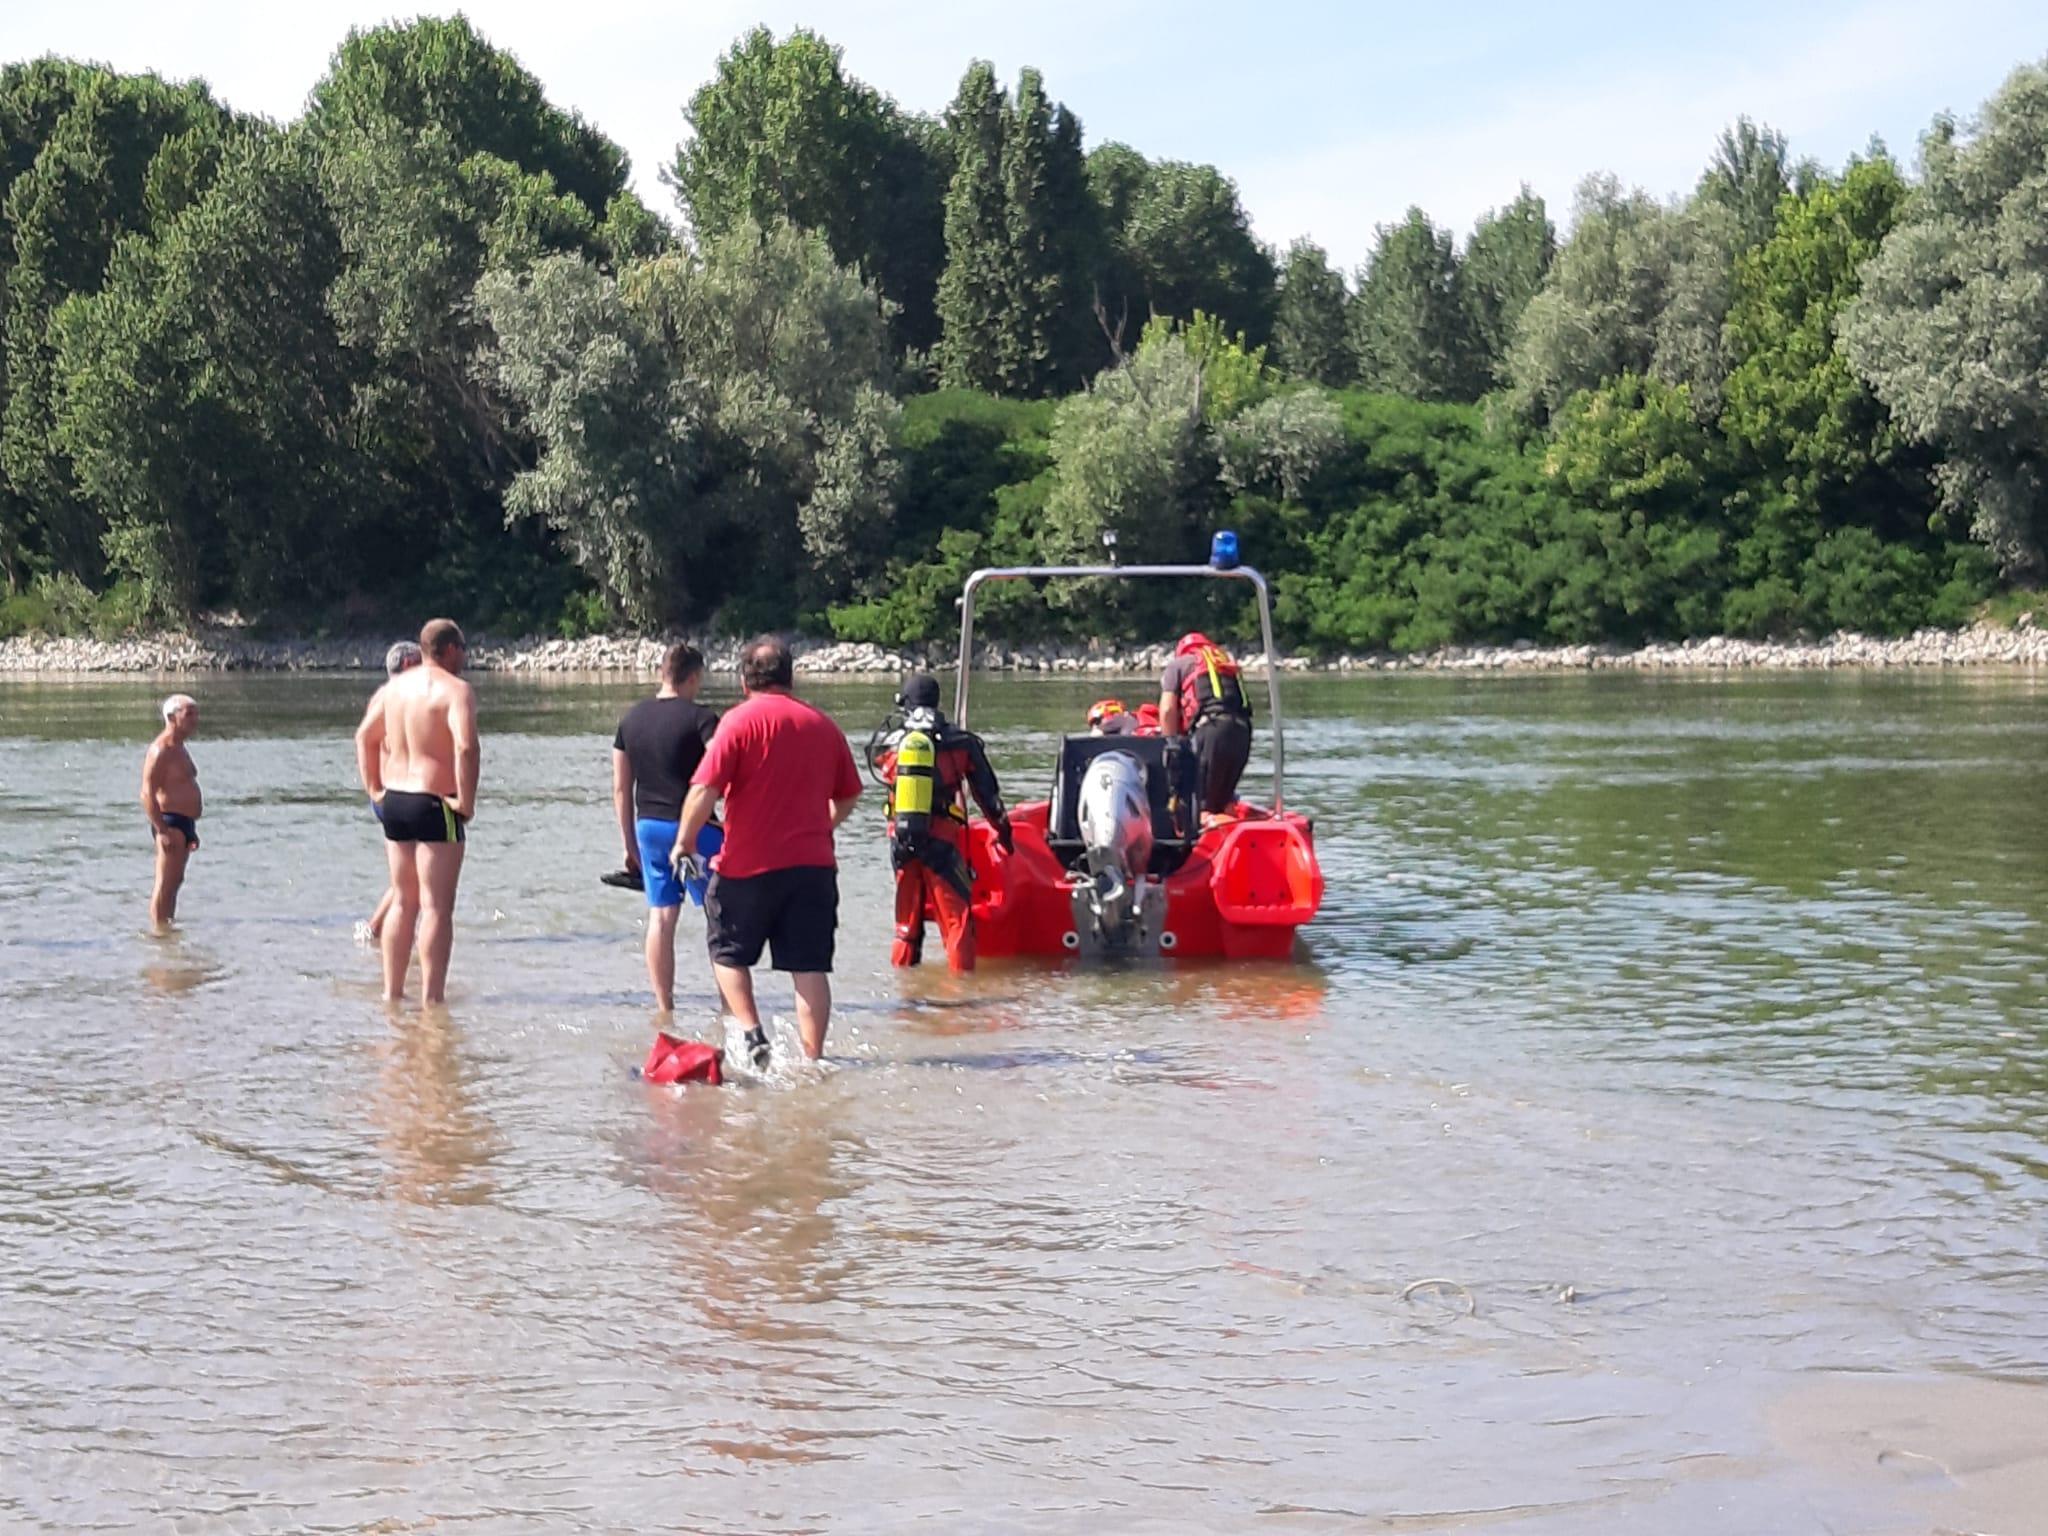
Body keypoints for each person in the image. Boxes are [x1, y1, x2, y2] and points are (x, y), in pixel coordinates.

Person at [674, 636, 861, 1065]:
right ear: (790, 679)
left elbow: (705, 789)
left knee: (726, 953)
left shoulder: (738, 723)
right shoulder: (822, 725)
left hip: (747, 866)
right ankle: (812, 1060)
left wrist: (684, 842)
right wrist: (823, 826)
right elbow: (850, 794)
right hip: (813, 868)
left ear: (745, 681)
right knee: (809, 968)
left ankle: (752, 1031)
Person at [355, 618, 479, 1005]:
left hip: (395, 799)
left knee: (403, 901)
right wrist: (466, 802)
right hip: (434, 800)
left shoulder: (393, 689)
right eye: (463, 650)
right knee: (436, 907)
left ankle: (392, 994)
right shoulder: (456, 690)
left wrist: (374, 789)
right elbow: (466, 747)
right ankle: (432, 1000)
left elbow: (365, 736)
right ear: (451, 649)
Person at [613, 642, 721, 1013]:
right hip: (696, 830)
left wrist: (629, 844)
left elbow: (621, 787)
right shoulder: (702, 718)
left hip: (649, 829)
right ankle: (729, 1004)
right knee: (718, 914)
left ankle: (664, 1007)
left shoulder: (630, 720)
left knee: (660, 917)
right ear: (693, 677)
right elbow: (722, 765)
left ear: (662, 673)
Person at [880, 673, 1012, 973]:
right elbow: (988, 797)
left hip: (900, 842)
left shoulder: (889, 743)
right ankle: (961, 993)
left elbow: (882, 770)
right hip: (940, 842)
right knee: (957, 925)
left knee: (906, 927)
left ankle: (903, 988)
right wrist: (1004, 833)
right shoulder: (961, 743)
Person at [362, 642, 423, 942]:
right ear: (409, 664)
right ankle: (376, 931)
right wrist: (376, 789)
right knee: (417, 879)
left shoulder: (384, 696)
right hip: (397, 795)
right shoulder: (398, 697)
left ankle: (380, 933)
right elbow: (366, 740)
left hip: (390, 795)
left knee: (412, 878)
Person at [1158, 631, 1254, 819]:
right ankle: (1229, 822)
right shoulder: (1224, 662)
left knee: (1201, 804)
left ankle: (1207, 828)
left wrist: (1170, 743)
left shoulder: (1178, 665)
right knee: (1224, 799)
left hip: (1213, 729)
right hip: (1243, 731)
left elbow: (1167, 710)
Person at [140, 694, 202, 930]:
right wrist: (162, 830)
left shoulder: (180, 748)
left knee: (176, 881)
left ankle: (168, 930)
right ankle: (158, 932)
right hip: (170, 822)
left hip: (184, 823)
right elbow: (147, 792)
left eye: (196, 713)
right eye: (189, 714)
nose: (195, 719)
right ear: (172, 717)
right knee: (164, 883)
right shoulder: (161, 749)